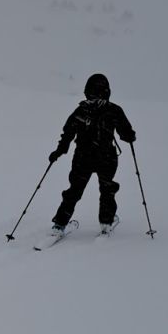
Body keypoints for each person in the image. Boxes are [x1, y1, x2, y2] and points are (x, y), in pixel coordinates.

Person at [49, 73, 136, 232]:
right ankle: (106, 222)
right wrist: (130, 136)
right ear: (107, 91)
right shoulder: (113, 110)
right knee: (107, 190)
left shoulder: (81, 110)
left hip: (83, 158)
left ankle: (59, 224)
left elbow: (68, 133)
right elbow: (126, 134)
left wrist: (59, 151)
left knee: (74, 190)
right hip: (106, 158)